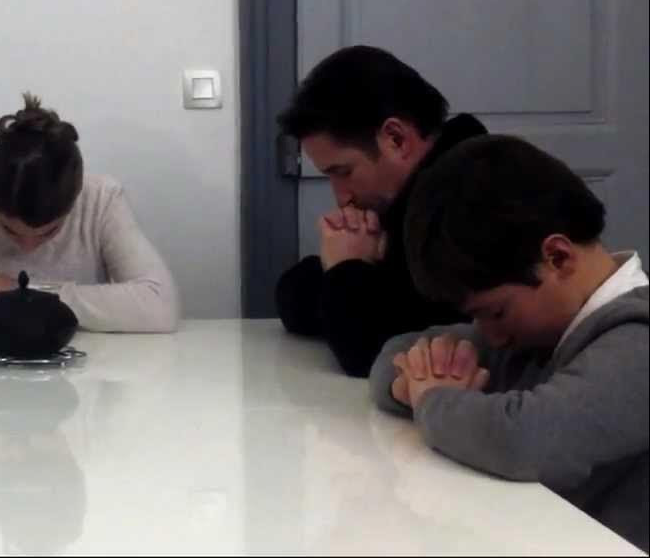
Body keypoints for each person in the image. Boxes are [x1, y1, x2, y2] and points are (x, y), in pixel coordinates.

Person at [369, 135, 648, 552]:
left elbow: (526, 440)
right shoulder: (541, 331)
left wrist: (430, 398)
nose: (490, 335)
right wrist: (414, 377)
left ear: (558, 258)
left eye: (496, 312)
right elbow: (395, 355)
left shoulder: (638, 342)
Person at [0, 92, 179, 335]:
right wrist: (3, 310)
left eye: (49, 232)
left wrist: (23, 295)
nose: (27, 246)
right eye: (9, 230)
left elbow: (160, 304)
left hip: (85, 370)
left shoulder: (101, 199)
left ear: (75, 199)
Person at [274, 45, 487, 376]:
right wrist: (348, 268)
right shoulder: (411, 195)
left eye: (344, 172)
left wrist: (346, 267)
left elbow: (373, 350)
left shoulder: (472, 198)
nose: (341, 197)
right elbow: (294, 299)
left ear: (396, 139)